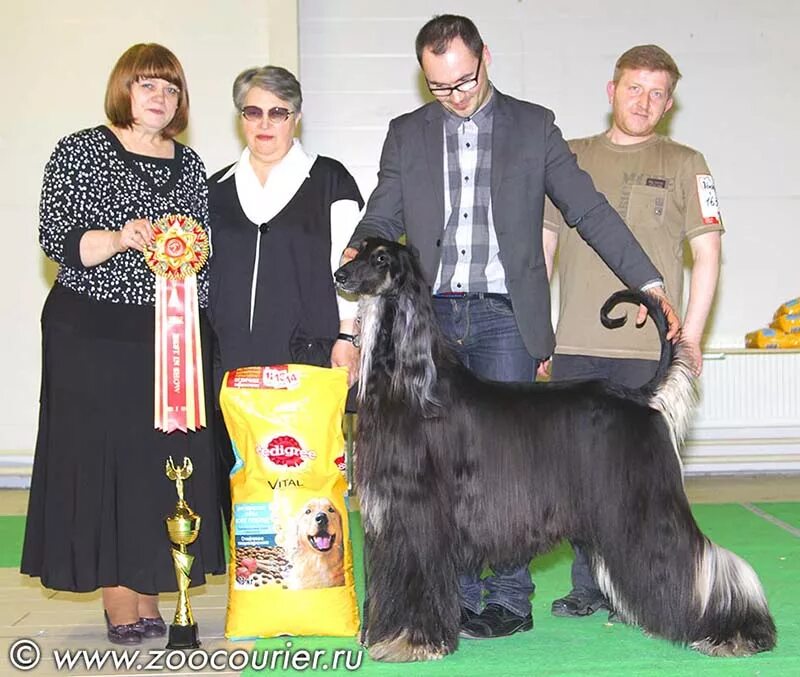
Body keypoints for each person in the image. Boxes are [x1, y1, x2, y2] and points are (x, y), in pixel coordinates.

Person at [343, 15, 681, 640]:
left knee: (512, 470)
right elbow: (382, 210)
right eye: (440, 86)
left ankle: (508, 598)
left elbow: (587, 207)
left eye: (464, 80)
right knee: (442, 471)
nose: (456, 95)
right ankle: (460, 598)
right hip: (433, 320)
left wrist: (651, 281)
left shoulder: (533, 125)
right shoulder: (407, 134)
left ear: (485, 58)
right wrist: (358, 253)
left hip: (504, 313)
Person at [21, 44, 225, 645]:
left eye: (170, 88)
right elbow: (55, 236)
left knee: (160, 467)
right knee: (103, 460)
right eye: (147, 86)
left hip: (170, 336)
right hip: (91, 332)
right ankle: (118, 596)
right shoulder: (81, 149)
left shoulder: (190, 164)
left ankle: (152, 583)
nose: (160, 98)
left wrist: (202, 329)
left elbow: (203, 254)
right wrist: (116, 237)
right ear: (123, 91)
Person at [543, 45, 723, 619]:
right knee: (577, 480)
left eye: (656, 93)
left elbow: (708, 254)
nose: (643, 101)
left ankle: (637, 588)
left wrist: (689, 340)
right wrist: (537, 337)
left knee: (640, 482)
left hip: (647, 352)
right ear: (611, 89)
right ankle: (587, 586)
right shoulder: (567, 157)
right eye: (633, 88)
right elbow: (542, 247)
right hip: (572, 347)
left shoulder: (687, 161)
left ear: (669, 103)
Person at [207, 65, 364, 520]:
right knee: (241, 480)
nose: (264, 124)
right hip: (231, 363)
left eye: (278, 113)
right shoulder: (214, 189)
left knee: (303, 478)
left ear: (296, 117)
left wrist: (348, 338)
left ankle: (309, 586)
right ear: (240, 117)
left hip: (308, 357)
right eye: (252, 112)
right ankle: (254, 587)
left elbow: (350, 270)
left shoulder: (331, 179)